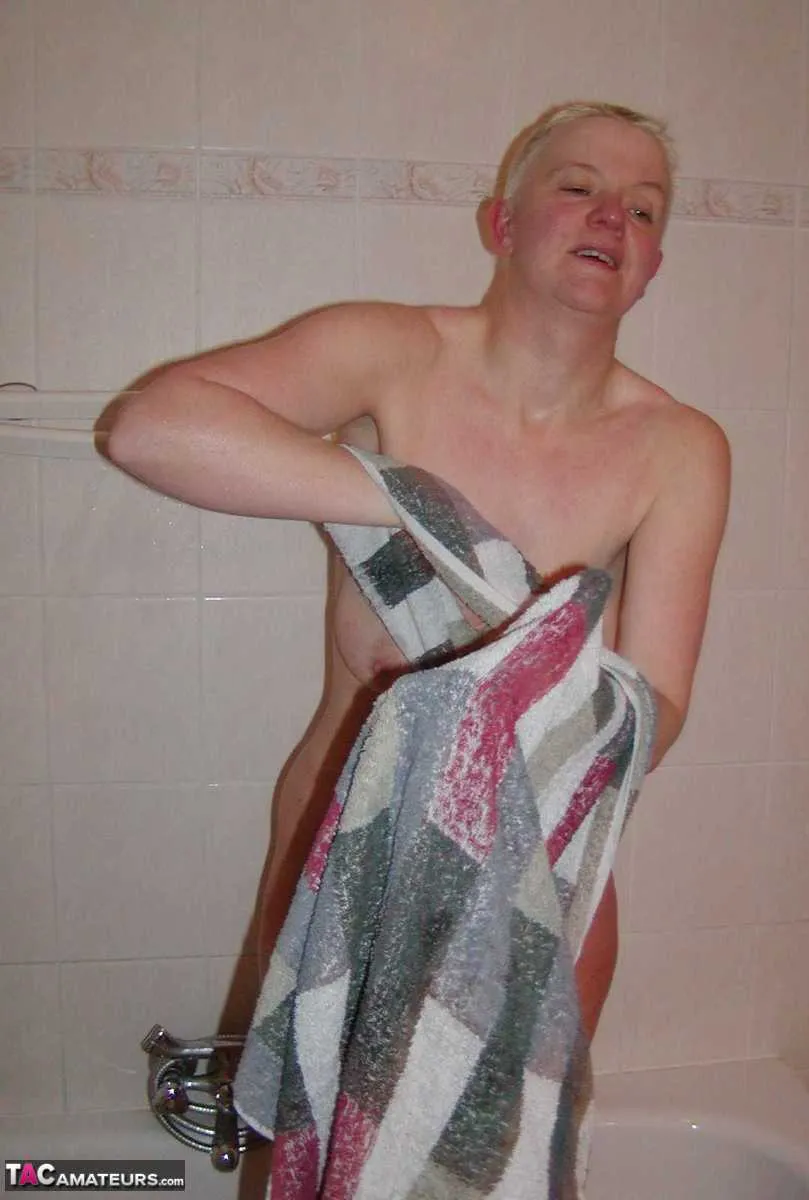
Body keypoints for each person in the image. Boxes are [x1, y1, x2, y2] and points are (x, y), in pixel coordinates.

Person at [104, 100, 730, 1043]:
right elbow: (150, 429)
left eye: (643, 209)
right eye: (578, 187)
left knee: (506, 1134)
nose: (613, 216)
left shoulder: (680, 447)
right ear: (502, 223)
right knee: (321, 1122)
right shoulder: (391, 356)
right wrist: (411, 507)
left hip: (539, 860)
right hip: (346, 836)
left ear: (651, 267)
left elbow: (660, 705)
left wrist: (525, 733)